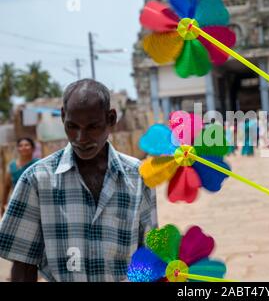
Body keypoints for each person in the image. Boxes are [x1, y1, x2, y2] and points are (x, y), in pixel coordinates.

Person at [0, 79, 158, 282]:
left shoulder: (139, 177)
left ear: (111, 119)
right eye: (72, 126)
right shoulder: (36, 180)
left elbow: (148, 255)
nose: (81, 138)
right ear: (63, 117)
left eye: (92, 127)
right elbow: (23, 265)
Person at [1, 138, 39, 216]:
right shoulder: (12, 166)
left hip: (35, 201)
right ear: (18, 149)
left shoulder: (38, 164)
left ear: (33, 148)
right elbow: (7, 187)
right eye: (20, 146)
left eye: (26, 145)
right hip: (17, 201)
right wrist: (3, 205)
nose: (23, 147)